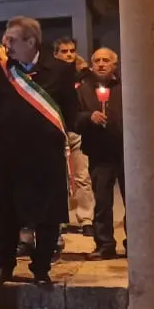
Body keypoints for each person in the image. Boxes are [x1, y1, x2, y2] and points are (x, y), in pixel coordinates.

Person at [0, 17, 78, 286]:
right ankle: (4, 265)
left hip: (46, 157)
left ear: (31, 41)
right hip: (10, 157)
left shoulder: (60, 71)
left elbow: (69, 112)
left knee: (47, 216)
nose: (5, 44)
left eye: (11, 40)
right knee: (6, 215)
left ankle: (42, 267)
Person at [75, 48, 124, 259]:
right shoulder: (83, 90)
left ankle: (136, 242)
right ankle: (105, 244)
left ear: (115, 64)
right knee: (103, 201)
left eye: (106, 60)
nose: (101, 64)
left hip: (126, 152)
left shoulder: (125, 86)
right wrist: (88, 117)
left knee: (133, 200)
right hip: (99, 153)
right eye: (97, 61)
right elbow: (73, 119)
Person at [52, 41, 94, 237]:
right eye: (64, 51)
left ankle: (86, 219)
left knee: (82, 176)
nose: (68, 54)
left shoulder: (84, 75)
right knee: (58, 177)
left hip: (77, 130)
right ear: (56, 54)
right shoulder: (51, 76)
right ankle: (59, 219)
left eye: (71, 51)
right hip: (56, 129)